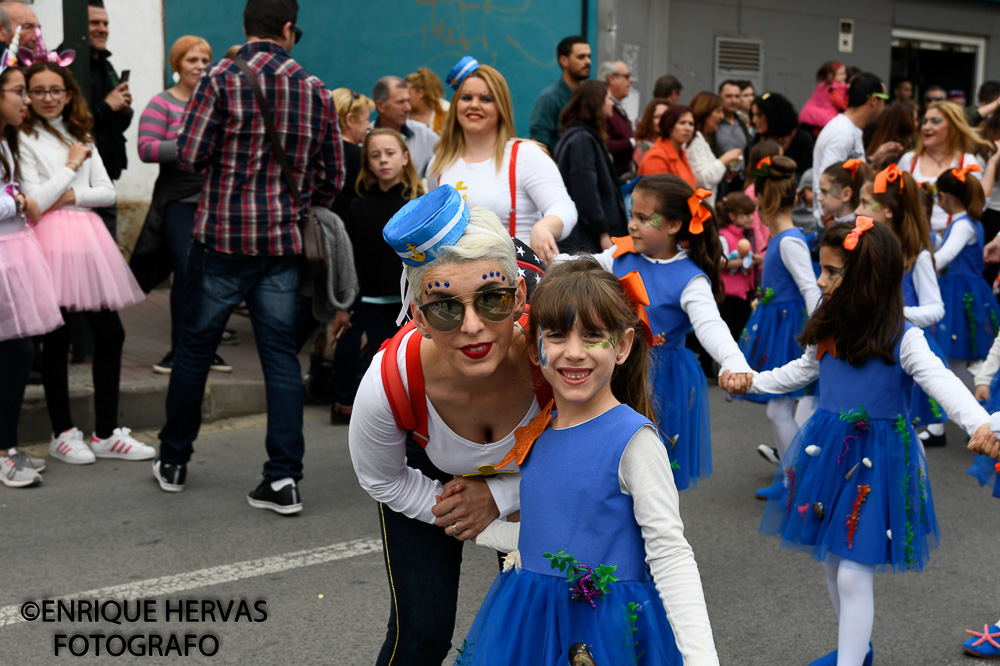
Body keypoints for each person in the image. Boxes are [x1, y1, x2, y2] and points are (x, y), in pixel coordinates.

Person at [739, 219, 993, 666]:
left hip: (878, 458)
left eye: (833, 272)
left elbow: (944, 383)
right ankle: (857, 650)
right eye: (823, 269)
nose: (821, 281)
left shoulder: (904, 335)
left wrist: (981, 426)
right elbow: (800, 372)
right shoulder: (829, 325)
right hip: (830, 452)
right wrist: (753, 381)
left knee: (855, 574)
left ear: (867, 278)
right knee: (832, 564)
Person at [453, 258, 720, 665]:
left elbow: (668, 552)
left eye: (593, 335)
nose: (574, 352)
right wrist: (480, 529)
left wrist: (702, 658)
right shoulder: (536, 432)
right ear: (536, 346)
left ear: (623, 345)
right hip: (532, 622)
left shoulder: (634, 440)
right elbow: (549, 530)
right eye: (557, 334)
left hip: (605, 634)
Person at [153, 0, 345, 514]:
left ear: (246, 27)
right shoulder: (315, 89)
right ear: (287, 28)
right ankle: (283, 479)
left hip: (221, 239)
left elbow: (190, 156)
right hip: (282, 245)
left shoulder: (219, 78)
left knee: (195, 350)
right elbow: (333, 177)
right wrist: (298, 203)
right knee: (280, 357)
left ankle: (173, 460)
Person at [349, 187, 545, 664]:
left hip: (541, 471)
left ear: (520, 296)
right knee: (421, 633)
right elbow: (381, 477)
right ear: (416, 315)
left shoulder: (556, 353)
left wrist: (501, 497)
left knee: (542, 626)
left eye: (493, 299)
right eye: (445, 308)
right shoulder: (389, 381)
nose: (473, 326)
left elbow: (600, 457)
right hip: (426, 469)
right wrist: (457, 510)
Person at [577, 175, 753, 490]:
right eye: (632, 215)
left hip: (661, 378)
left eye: (644, 219)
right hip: (613, 369)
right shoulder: (620, 255)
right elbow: (578, 266)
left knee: (649, 470)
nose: (632, 224)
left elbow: (711, 325)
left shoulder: (690, 277)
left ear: (672, 225)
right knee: (605, 461)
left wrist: (733, 360)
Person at [19, 60, 150, 465]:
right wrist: (73, 166)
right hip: (44, 243)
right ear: (26, 96)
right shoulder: (21, 138)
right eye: (37, 90)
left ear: (69, 93)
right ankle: (63, 432)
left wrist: (69, 194)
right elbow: (33, 198)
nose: (47, 98)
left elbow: (107, 192)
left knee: (110, 334)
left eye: (55, 89)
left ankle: (107, 432)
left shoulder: (80, 132)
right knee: (56, 339)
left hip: (86, 242)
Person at [132, 36, 233, 376]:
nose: (200, 66)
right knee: (188, 271)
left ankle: (207, 348)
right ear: (177, 64)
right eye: (192, 59)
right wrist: (190, 144)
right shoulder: (162, 103)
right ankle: (179, 350)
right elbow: (146, 149)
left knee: (216, 274)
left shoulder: (217, 102)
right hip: (179, 200)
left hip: (217, 201)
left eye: (206, 59)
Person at [428, 57, 576, 264]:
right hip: (461, 287)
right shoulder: (439, 164)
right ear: (455, 105)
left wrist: (544, 227)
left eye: (486, 99)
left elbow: (564, 207)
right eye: (466, 97)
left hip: (516, 281)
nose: (475, 105)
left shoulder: (526, 155)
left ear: (501, 107)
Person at [330, 128, 420, 424]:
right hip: (367, 297)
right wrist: (345, 302)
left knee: (402, 361)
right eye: (375, 155)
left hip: (406, 302)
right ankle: (358, 408)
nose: (383, 160)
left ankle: (405, 413)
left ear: (405, 158)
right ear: (367, 163)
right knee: (363, 355)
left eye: (390, 153)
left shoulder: (417, 203)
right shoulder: (358, 205)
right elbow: (351, 257)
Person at [0, 53, 61, 487]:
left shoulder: (7, 140)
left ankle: (7, 444)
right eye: (19, 91)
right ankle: (4, 450)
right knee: (16, 353)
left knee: (19, 352)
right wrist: (20, 202)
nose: (26, 100)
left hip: (14, 252)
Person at [737, 156, 822, 467]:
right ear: (795, 197)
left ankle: (795, 479)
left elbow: (810, 289)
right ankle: (792, 478)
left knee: (780, 408)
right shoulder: (782, 240)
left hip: (789, 330)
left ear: (760, 200)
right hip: (779, 325)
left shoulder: (788, 241)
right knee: (781, 408)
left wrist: (816, 332)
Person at [858, 165, 949, 445]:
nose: (858, 209)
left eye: (864, 202)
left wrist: (895, 315)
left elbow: (936, 308)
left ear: (887, 210)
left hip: (900, 349)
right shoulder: (865, 247)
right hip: (868, 345)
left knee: (898, 432)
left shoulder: (916, 256)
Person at [931, 165, 1000, 387]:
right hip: (963, 289)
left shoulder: (963, 225)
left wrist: (918, 266)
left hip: (960, 294)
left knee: (954, 358)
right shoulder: (969, 222)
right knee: (952, 359)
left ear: (944, 196)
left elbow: (945, 256)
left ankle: (976, 404)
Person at [812, 72, 902, 224]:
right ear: (874, 100)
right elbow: (826, 180)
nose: (885, 105)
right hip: (836, 225)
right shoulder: (842, 132)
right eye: (885, 99)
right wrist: (829, 223)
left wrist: (873, 159)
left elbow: (846, 171)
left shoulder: (850, 129)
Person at [553, 79, 626, 253]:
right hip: (589, 240)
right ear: (596, 103)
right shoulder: (582, 141)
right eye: (608, 98)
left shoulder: (578, 136)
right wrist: (602, 233)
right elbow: (586, 193)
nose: (611, 103)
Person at [897, 101, 990, 232]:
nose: (926, 127)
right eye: (924, 121)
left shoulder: (967, 162)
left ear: (953, 126)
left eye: (935, 121)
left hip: (952, 240)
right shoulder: (909, 160)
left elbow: (978, 204)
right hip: (912, 239)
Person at [83, 0, 131, 240]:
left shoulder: (105, 64)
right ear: (79, 25)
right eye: (95, 22)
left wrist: (122, 109)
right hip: (80, 178)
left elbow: (114, 123)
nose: (103, 28)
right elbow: (70, 123)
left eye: (106, 23)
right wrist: (106, 106)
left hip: (106, 174)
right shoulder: (67, 62)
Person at [529, 36, 591, 154]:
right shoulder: (549, 98)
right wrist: (555, 171)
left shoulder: (589, 96)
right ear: (564, 60)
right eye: (581, 57)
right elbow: (538, 145)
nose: (588, 61)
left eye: (589, 56)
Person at [372, 76, 437, 179]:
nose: (408, 108)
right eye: (400, 102)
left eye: (408, 101)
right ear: (381, 106)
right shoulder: (364, 138)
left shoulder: (425, 135)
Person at [717, 192, 761, 340]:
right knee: (729, 334)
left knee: (742, 332)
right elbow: (720, 262)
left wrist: (753, 260)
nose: (750, 218)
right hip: (728, 296)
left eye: (751, 214)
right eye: (745, 215)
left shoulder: (744, 235)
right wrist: (744, 262)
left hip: (742, 293)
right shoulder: (723, 236)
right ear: (732, 216)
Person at [687, 91, 743, 205]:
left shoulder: (701, 138)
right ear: (705, 112)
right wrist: (726, 158)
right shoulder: (694, 140)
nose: (722, 116)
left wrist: (725, 175)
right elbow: (704, 179)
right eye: (718, 111)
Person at [329, 88, 374, 221]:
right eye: (366, 120)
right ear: (350, 119)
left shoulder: (320, 153)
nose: (369, 127)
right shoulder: (359, 157)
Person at [751, 92, 814, 178]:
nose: (754, 120)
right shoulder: (759, 138)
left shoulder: (802, 138)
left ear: (773, 116)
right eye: (753, 115)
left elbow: (806, 175)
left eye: (759, 115)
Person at [637, 104, 696, 186]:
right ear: (669, 126)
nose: (688, 128)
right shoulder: (656, 157)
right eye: (682, 123)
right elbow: (656, 194)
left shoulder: (680, 152)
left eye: (691, 124)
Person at [597, 60, 635, 177]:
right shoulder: (602, 109)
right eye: (627, 76)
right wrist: (632, 142)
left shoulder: (617, 108)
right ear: (612, 79)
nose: (631, 80)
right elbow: (603, 144)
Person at [713, 80, 751, 191]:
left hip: (741, 182)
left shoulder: (742, 123)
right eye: (729, 96)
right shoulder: (714, 124)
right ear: (719, 97)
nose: (733, 100)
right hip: (719, 182)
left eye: (737, 96)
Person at [798, 61, 848, 135]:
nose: (845, 76)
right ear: (831, 76)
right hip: (823, 122)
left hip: (810, 118)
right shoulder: (834, 89)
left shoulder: (821, 86)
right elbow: (841, 105)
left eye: (844, 73)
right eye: (841, 74)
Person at [864, 102, 918, 170]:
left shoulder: (878, 142)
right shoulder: (900, 149)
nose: (917, 124)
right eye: (915, 120)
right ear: (906, 123)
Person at [817, 158, 868, 227]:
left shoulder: (854, 232)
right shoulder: (839, 225)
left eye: (824, 191)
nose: (819, 198)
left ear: (846, 194)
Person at [405, 67, 448, 134]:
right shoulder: (402, 112)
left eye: (409, 93)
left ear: (421, 93)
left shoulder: (445, 113)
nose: (405, 97)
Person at [632, 97, 668, 166]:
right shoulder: (644, 146)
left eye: (665, 117)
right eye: (657, 117)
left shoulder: (674, 144)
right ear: (649, 120)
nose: (661, 121)